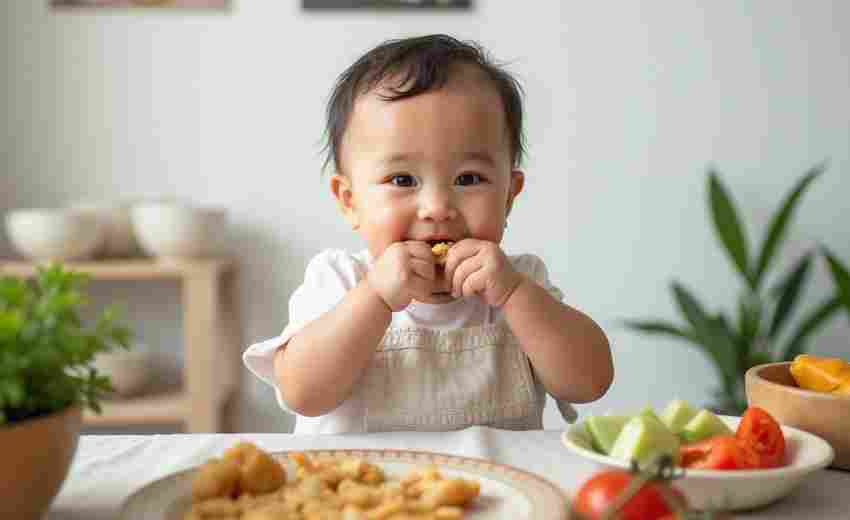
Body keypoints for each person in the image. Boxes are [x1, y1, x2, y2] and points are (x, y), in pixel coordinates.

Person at [244, 34, 613, 434]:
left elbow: (590, 383)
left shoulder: (521, 283)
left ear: (509, 195)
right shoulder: (341, 281)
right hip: (360, 493)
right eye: (402, 179)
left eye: (468, 178)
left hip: (497, 494)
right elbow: (303, 393)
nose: (437, 207)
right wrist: (375, 298)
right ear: (350, 200)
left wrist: (515, 295)